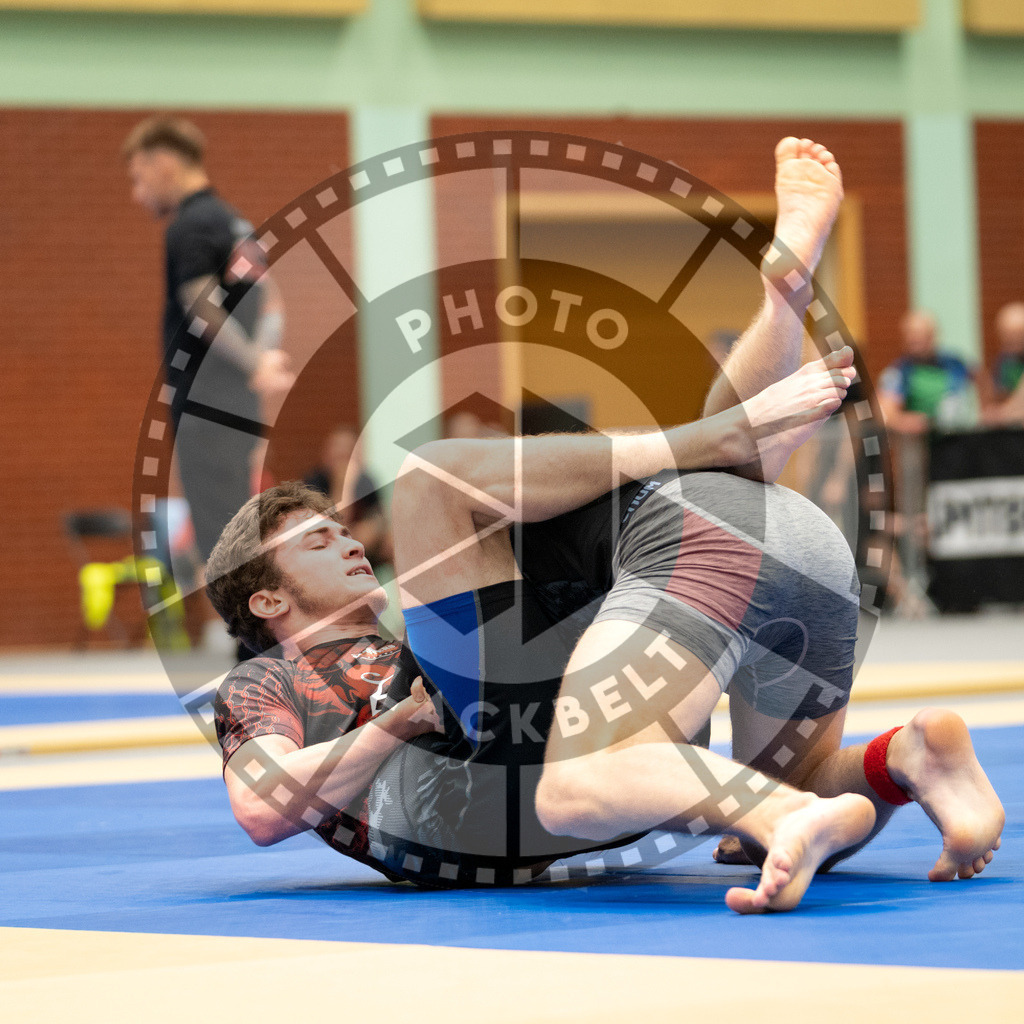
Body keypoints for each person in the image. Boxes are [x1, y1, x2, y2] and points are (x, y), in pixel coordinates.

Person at [208, 139, 1003, 913]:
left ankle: (778, 808)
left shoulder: (449, 625)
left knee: (579, 770)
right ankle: (905, 757)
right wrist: (396, 723)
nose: (349, 538)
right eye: (316, 540)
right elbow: (261, 808)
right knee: (781, 761)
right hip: (795, 548)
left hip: (691, 557)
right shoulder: (266, 682)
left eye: (340, 527)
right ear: (268, 602)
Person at [123, 117, 295, 566]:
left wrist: (256, 363)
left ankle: (252, 636)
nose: (137, 195)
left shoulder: (191, 225)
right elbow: (272, 301)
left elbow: (200, 305)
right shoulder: (234, 222)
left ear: (163, 163)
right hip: (238, 407)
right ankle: (257, 635)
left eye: (139, 179)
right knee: (242, 524)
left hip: (208, 404)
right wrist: (265, 355)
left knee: (222, 537)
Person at [305, 425, 392, 568]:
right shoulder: (314, 482)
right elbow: (334, 522)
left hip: (361, 542)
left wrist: (372, 528)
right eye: (337, 451)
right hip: (328, 543)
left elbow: (379, 515)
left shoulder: (365, 480)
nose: (342, 458)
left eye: (348, 452)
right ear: (326, 454)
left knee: (392, 543)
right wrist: (342, 485)